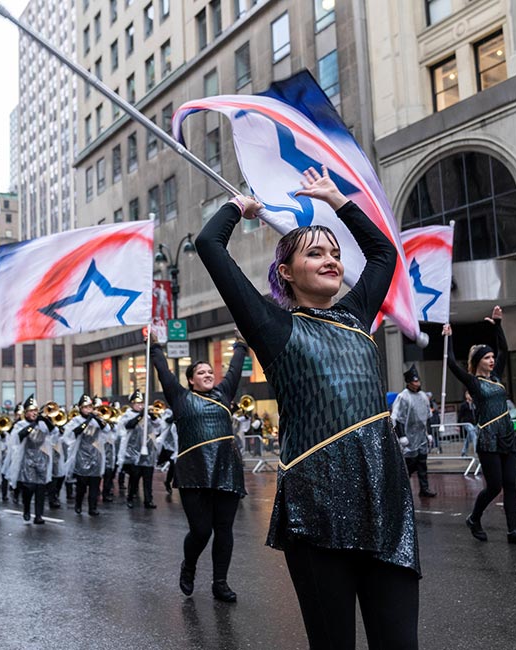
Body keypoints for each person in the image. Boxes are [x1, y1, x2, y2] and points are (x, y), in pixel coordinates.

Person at [196, 167, 419, 648]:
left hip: (385, 496)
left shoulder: (357, 315)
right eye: (315, 252)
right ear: (285, 271)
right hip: (316, 505)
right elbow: (209, 245)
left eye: (335, 254)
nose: (331, 260)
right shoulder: (271, 326)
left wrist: (339, 201)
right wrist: (240, 208)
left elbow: (383, 252)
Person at [150, 331, 248, 602]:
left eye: (209, 371)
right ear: (191, 380)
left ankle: (220, 583)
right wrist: (156, 346)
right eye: (201, 372)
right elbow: (163, 372)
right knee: (201, 530)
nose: (207, 374)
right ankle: (189, 565)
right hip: (194, 472)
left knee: (224, 529)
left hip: (226, 470)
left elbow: (235, 368)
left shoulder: (224, 393)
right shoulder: (181, 398)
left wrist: (240, 344)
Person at [443, 307, 516, 545]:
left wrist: (498, 325)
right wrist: (448, 337)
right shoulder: (474, 382)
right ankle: (474, 518)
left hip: (506, 435)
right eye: (487, 357)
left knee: (510, 484)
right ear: (477, 361)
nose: (492, 360)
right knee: (494, 486)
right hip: (488, 439)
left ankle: (513, 530)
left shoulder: (496, 378)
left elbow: (505, 349)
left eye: (492, 357)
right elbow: (451, 363)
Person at [392, 365, 436, 498]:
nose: (417, 384)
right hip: (409, 438)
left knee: (422, 464)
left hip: (421, 437)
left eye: (418, 381)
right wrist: (402, 436)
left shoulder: (423, 396)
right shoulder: (403, 397)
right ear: (409, 383)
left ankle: (424, 488)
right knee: (409, 466)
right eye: (414, 381)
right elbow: (398, 418)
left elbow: (428, 417)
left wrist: (428, 433)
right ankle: (401, 490)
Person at [63, 395, 111, 516]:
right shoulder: (76, 420)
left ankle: (92, 508)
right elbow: (72, 434)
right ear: (80, 408)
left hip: (96, 455)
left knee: (95, 483)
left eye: (90, 407)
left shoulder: (97, 419)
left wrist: (97, 418)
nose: (88, 409)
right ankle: (78, 503)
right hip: (81, 456)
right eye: (85, 407)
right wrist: (88, 420)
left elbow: (107, 429)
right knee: (82, 485)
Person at [10, 395, 54, 523]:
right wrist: (34, 423)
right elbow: (19, 437)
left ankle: (38, 515)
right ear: (25, 413)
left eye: (35, 410)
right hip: (27, 459)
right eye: (30, 410)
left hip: (41, 458)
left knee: (40, 488)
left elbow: (55, 432)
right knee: (29, 487)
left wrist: (45, 421)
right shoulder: (20, 424)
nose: (34, 413)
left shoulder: (43, 425)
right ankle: (27, 508)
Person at [116, 391, 160, 509]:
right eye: (137, 403)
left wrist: (152, 415)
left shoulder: (148, 416)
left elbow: (158, 426)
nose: (140, 405)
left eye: (141, 403)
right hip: (134, 452)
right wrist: (141, 414)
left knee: (148, 478)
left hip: (148, 452)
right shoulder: (127, 415)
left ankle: (148, 500)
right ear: (131, 404)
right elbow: (128, 425)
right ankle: (130, 497)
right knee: (134, 478)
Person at [457, 391, 478, 457]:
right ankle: (476, 452)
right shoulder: (464, 405)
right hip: (467, 422)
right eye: (469, 395)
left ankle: (464, 451)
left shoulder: (474, 404)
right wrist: (458, 424)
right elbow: (460, 415)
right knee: (474, 436)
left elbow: (477, 413)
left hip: (474, 422)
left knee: (468, 437)